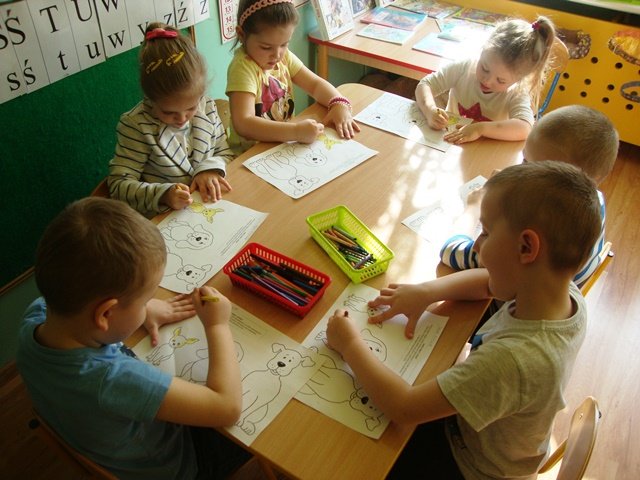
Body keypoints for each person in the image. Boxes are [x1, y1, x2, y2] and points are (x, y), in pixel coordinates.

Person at [326, 161, 602, 479]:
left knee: (347, 455)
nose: (478, 244)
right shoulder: (561, 291)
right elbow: (487, 283)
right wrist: (426, 292)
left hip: (469, 466)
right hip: (486, 438)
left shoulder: (513, 362)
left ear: (526, 247)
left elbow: (404, 408)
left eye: (485, 232)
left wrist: (349, 343)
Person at [16, 197, 251, 480]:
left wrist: (144, 310)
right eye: (145, 300)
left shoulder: (38, 315)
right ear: (106, 314)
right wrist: (217, 325)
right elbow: (226, 408)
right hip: (179, 468)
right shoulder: (112, 380)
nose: (148, 304)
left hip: (101, 441)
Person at [440, 105, 619, 287]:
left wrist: (473, 207)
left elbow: (451, 252)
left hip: (509, 300)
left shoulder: (528, 236)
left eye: (538, 172)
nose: (521, 172)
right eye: (525, 161)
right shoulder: (594, 198)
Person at [109, 22, 234, 219]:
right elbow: (119, 186)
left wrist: (209, 169)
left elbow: (225, 152)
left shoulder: (207, 106)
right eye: (168, 112)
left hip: (209, 210)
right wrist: (163, 195)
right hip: (164, 220)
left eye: (191, 108)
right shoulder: (136, 125)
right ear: (151, 99)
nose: (182, 118)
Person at [226, 0, 360, 153]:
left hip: (281, 146)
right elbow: (244, 123)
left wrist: (338, 103)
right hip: (249, 156)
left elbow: (315, 85)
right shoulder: (242, 68)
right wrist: (296, 131)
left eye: (284, 44)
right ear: (242, 35)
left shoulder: (284, 57)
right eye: (266, 47)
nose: (277, 55)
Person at [415, 16, 556, 144]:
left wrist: (480, 129)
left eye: (501, 80)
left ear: (519, 79)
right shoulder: (464, 68)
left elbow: (524, 128)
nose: (487, 81)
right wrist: (429, 110)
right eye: (484, 68)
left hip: (487, 151)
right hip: (449, 142)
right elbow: (426, 84)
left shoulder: (517, 92)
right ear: (482, 50)